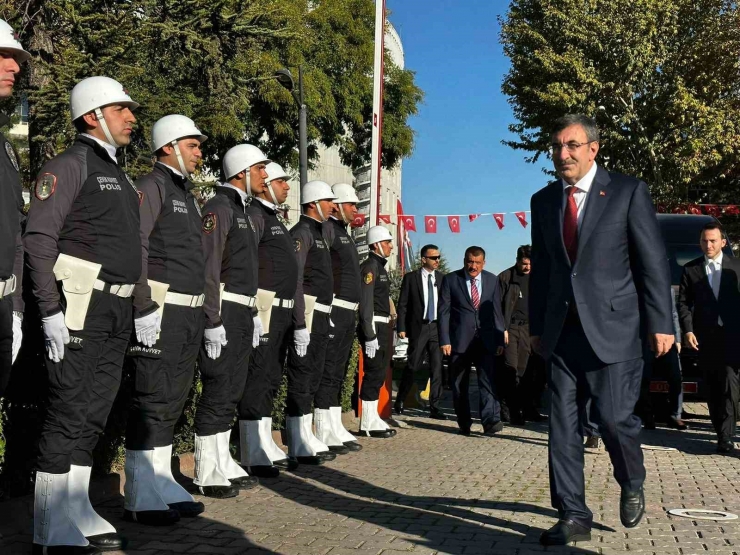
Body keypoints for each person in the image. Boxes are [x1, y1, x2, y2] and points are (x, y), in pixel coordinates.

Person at [530, 114, 673, 545]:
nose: (562, 154)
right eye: (557, 146)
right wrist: (537, 326)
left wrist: (661, 322)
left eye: (571, 145)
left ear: (593, 148)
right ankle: (573, 514)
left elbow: (652, 262)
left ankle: (631, 478)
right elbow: (545, 272)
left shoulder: (628, 192)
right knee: (562, 429)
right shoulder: (543, 200)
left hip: (616, 330)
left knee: (613, 419)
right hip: (561, 333)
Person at [25, 76, 142, 553]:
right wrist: (50, 309)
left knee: (93, 413)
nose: (132, 117)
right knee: (68, 410)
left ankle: (75, 508)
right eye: (121, 110)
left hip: (115, 308)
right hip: (79, 305)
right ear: (93, 115)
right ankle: (49, 526)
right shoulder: (69, 165)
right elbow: (39, 239)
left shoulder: (119, 171)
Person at [123, 115, 208, 524]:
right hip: (162, 308)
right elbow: (136, 245)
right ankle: (140, 492)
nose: (199, 152)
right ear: (169, 145)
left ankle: (160, 480)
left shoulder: (186, 195)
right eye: (193, 145)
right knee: (151, 397)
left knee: (172, 399)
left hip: (188, 311)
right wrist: (143, 304)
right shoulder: (151, 187)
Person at [193, 144, 267, 493]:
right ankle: (206, 472)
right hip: (223, 308)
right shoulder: (219, 208)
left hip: (241, 309)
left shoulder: (243, 211)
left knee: (233, 389)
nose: (265, 175)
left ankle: (222, 461)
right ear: (241, 172)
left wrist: (252, 313)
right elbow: (209, 267)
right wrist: (212, 319)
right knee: (218, 386)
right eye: (260, 168)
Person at [237, 161, 300, 476]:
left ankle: (262, 441)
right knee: (259, 376)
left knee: (272, 377)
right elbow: (247, 263)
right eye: (282, 182)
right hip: (265, 307)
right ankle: (250, 449)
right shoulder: (255, 217)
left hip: (282, 310)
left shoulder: (273, 218)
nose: (287, 187)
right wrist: (253, 310)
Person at [284, 180, 342, 463]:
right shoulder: (302, 233)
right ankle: (297, 440)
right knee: (302, 375)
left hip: (320, 312)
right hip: (306, 312)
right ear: (313, 203)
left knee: (315, 375)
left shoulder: (319, 233)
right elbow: (295, 279)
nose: (334, 205)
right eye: (329, 200)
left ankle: (306, 435)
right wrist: (299, 322)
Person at [677, 221, 740, 453]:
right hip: (706, 338)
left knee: (730, 384)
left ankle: (726, 436)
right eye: (704, 240)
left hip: (733, 337)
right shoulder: (691, 269)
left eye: (713, 240)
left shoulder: (736, 266)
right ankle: (720, 430)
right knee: (713, 387)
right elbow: (683, 303)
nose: (708, 244)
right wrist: (688, 330)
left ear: (723, 242)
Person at [313, 183, 363, 452]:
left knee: (339, 371)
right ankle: (323, 427)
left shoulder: (344, 232)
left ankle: (333, 423)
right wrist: (329, 305)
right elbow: (325, 271)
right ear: (340, 205)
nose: (356, 209)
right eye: (352, 204)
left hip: (348, 309)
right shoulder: (329, 230)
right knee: (328, 368)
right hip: (335, 307)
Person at [438, 246, 505, 436]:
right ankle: (464, 422)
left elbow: (496, 312)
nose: (473, 266)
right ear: (464, 260)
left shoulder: (492, 280)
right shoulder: (451, 280)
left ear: (484, 263)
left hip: (486, 341)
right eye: (469, 261)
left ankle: (490, 421)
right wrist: (444, 339)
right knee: (460, 384)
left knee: (488, 382)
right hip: (459, 342)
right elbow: (443, 312)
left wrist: (499, 339)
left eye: (477, 262)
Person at [0, 21, 29, 398]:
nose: (16, 67)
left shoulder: (5, 148)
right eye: (3, 56)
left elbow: (15, 231)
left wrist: (16, 305)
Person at [497, 245, 547, 424]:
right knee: (512, 370)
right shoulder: (506, 277)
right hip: (510, 328)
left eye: (529, 264)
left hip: (530, 329)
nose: (527, 268)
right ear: (517, 261)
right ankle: (510, 410)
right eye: (524, 264)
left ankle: (527, 409)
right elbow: (497, 307)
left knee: (528, 372)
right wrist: (502, 329)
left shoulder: (538, 277)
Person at [395, 244, 445, 419]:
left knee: (437, 367)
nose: (437, 260)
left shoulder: (441, 278)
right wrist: (401, 327)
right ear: (424, 259)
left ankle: (435, 407)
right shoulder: (411, 278)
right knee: (413, 364)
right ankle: (400, 399)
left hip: (437, 328)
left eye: (438, 257)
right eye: (433, 258)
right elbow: (403, 305)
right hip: (419, 327)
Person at [356, 226, 397, 437]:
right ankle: (367, 422)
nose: (391, 246)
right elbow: (366, 304)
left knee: (378, 373)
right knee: (373, 373)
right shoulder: (370, 268)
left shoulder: (379, 267)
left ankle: (372, 419)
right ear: (376, 245)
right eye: (387, 242)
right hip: (374, 326)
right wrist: (370, 334)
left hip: (382, 325)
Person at [637, 289, 687, 431]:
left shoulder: (667, 289)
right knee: (643, 379)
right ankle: (647, 417)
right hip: (644, 341)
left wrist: (677, 339)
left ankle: (675, 415)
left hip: (668, 340)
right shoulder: (635, 287)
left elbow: (673, 314)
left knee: (676, 378)